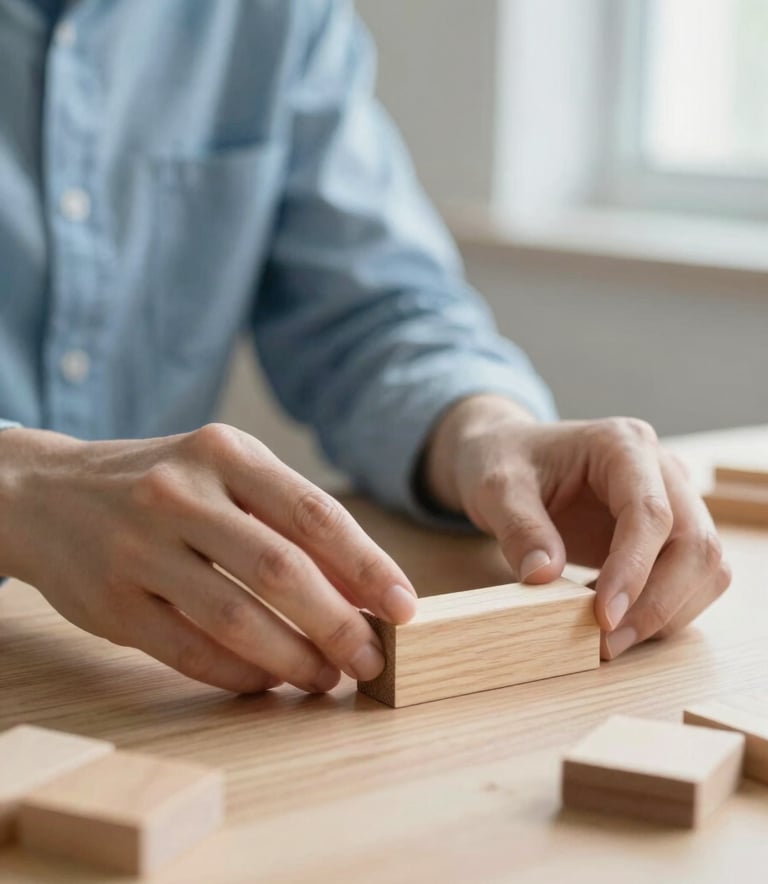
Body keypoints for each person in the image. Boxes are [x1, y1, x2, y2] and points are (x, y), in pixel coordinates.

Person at [0, 0, 729, 695]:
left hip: (135, 683)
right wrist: (23, 487)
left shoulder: (278, 16)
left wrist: (485, 430)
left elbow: (370, 312)